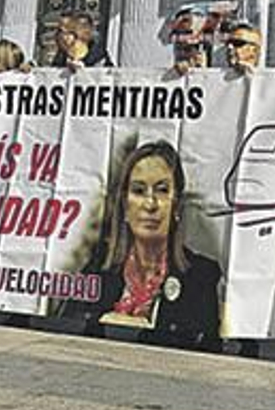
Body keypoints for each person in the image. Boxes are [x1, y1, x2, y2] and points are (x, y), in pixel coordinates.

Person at [84, 139, 222, 351]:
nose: (150, 204)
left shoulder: (202, 276)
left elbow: (206, 352)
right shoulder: (97, 269)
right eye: (139, 191)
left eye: (162, 190)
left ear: (176, 205)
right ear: (125, 205)